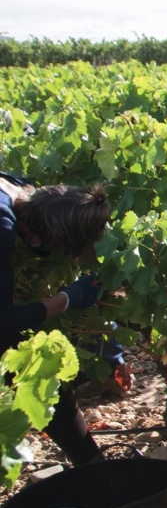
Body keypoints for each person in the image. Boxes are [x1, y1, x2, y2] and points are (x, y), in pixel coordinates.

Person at [0, 172, 110, 465]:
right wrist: (66, 299)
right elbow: (3, 322)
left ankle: (91, 465)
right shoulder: (2, 226)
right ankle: (91, 466)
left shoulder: (18, 187)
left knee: (34, 364)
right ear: (37, 237)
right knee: (30, 363)